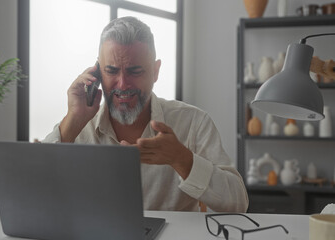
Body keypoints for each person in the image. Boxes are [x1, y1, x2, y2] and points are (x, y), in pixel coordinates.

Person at [43, 16, 248, 212]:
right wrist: (72, 121)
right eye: (111, 71)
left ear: (156, 71)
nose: (122, 84)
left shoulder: (193, 122)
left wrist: (182, 159)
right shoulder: (78, 125)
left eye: (134, 71)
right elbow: (33, 187)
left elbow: (238, 203)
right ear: (97, 73)